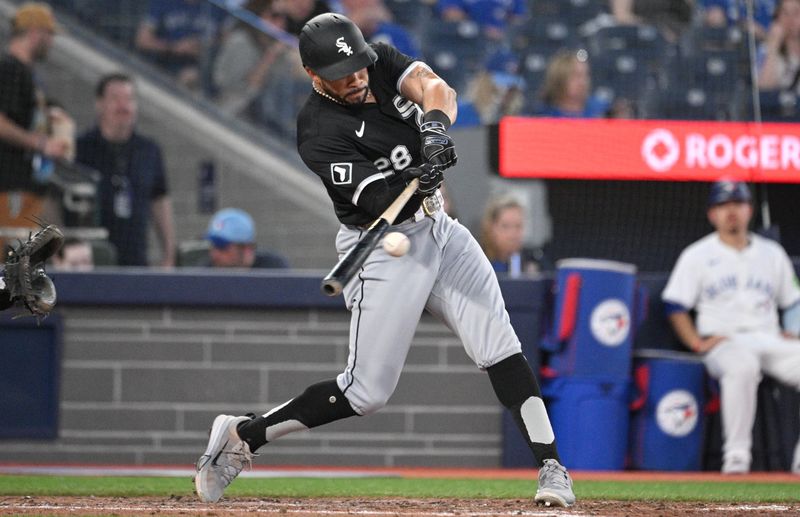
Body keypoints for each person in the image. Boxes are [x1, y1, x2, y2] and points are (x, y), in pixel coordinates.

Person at [194, 13, 576, 508]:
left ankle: (551, 467)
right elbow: (381, 201)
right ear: (313, 74)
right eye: (339, 72)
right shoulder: (317, 132)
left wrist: (435, 131)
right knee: (366, 392)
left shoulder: (375, 61)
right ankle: (244, 435)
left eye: (356, 67)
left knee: (500, 347)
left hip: (439, 228)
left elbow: (438, 90)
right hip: (383, 245)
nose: (354, 78)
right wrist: (422, 176)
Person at [662, 179, 800, 475]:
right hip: (725, 341)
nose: (731, 211)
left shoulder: (771, 253)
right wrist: (696, 343)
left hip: (769, 337)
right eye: (723, 205)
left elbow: (793, 301)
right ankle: (737, 459)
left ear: (749, 209)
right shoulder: (697, 254)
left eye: (737, 204)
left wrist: (794, 328)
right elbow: (675, 306)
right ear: (712, 214)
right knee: (742, 366)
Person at [75, 73, 176, 267]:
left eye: (129, 99)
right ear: (100, 104)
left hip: (135, 259)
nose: (124, 106)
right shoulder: (80, 149)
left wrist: (169, 254)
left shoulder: (149, 150)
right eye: (115, 99)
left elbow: (160, 201)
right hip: (89, 261)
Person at [0, 3, 71, 234]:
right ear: (34, 32)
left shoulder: (25, 73)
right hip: (10, 189)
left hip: (24, 189)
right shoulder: (10, 68)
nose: (51, 42)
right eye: (49, 34)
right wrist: (41, 144)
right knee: (12, 261)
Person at [212, 0, 289, 115]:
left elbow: (281, 89)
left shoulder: (277, 48)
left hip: (260, 112)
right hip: (227, 107)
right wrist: (269, 58)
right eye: (275, 16)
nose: (281, 22)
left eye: (285, 18)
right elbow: (233, 87)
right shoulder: (241, 42)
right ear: (259, 14)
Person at [134, 0, 223, 89]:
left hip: (204, 71)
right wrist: (175, 47)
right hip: (164, 66)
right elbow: (142, 40)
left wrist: (203, 46)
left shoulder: (217, 7)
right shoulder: (162, 2)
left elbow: (228, 43)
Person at [534, 49, 632, 119]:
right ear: (559, 78)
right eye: (575, 76)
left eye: (586, 75)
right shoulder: (543, 116)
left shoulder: (602, 110)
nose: (583, 82)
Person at [479, 194, 548, 276]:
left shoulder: (535, 260)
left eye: (518, 226)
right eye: (505, 226)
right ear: (491, 228)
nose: (512, 234)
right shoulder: (478, 260)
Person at [203, 207, 289, 268]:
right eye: (213, 246)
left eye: (222, 247)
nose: (214, 254)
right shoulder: (205, 272)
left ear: (247, 249)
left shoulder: (272, 269)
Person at [757, 0, 800, 93]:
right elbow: (764, 88)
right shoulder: (765, 49)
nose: (790, 19)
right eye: (785, 13)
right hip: (778, 106)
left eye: (796, 12)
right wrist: (773, 45)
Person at [436, 0, 527, 41]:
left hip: (502, 39)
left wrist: (509, 33)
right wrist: (482, 30)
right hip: (467, 39)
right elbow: (450, 14)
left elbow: (519, 17)